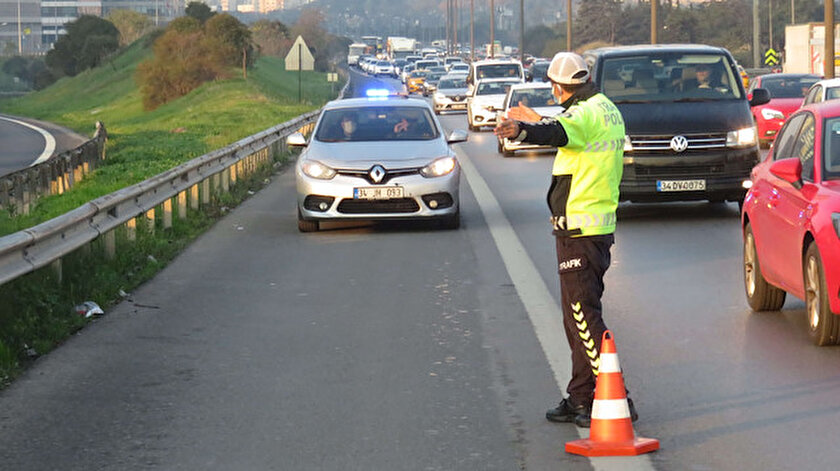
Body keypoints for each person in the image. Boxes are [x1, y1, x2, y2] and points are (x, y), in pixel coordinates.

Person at [494, 52, 638, 428]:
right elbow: (570, 130)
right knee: (576, 316)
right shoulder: (604, 108)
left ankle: (616, 396)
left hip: (580, 228)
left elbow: (560, 132)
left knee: (582, 315)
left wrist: (521, 131)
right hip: (595, 225)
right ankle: (580, 397)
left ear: (559, 87)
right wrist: (536, 121)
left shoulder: (582, 114)